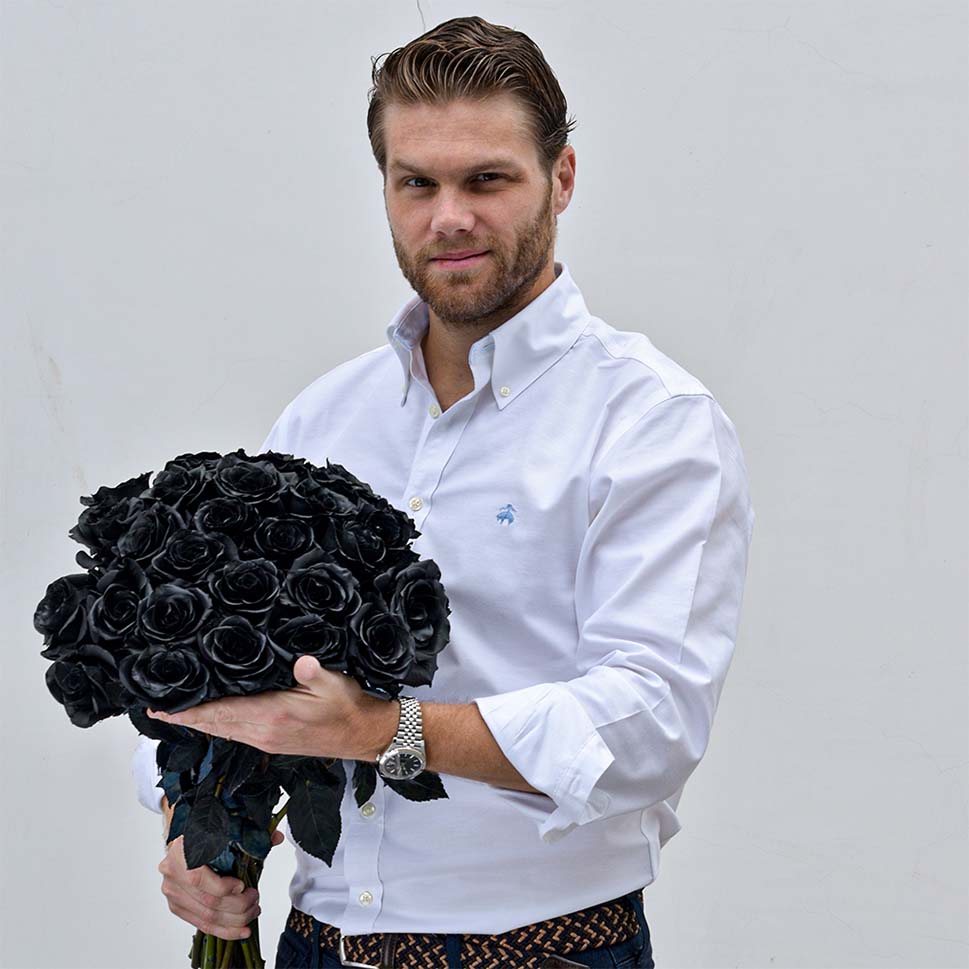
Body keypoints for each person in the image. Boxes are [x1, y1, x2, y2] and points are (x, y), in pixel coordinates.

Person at [132, 14, 755, 968]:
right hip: (315, 944)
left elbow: (646, 724)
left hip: (545, 951)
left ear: (563, 178)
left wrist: (384, 729)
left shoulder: (650, 420)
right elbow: (231, 674)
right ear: (384, 187)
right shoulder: (324, 417)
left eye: (487, 179)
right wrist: (192, 816)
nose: (448, 217)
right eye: (415, 182)